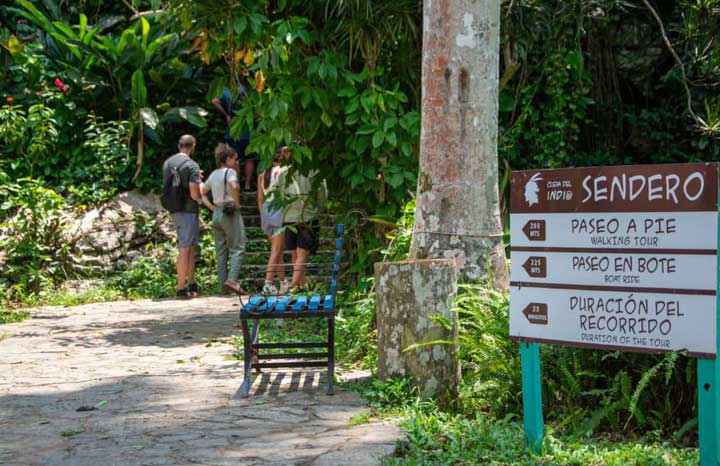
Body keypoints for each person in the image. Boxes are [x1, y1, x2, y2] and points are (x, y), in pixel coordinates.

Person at [277, 149, 327, 290]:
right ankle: (294, 286)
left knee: (295, 253)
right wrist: (318, 208)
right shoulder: (314, 170)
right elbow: (322, 194)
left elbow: (279, 196)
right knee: (303, 253)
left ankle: (301, 285)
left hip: (288, 217)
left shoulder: (282, 172)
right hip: (308, 216)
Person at [200, 143, 246, 295]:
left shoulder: (214, 174)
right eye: (235, 159)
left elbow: (202, 191)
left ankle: (223, 287)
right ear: (228, 158)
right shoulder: (230, 172)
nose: (236, 162)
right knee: (237, 247)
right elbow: (234, 186)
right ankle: (232, 281)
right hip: (230, 211)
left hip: (217, 213)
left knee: (220, 251)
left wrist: (211, 206)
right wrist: (237, 203)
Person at [162, 135, 202, 298]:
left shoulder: (168, 163)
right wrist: (201, 193)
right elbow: (194, 193)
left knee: (190, 247)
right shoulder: (192, 165)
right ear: (193, 146)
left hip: (174, 209)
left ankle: (191, 283)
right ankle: (180, 287)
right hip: (188, 210)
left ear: (179, 146)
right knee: (185, 249)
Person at [211, 82, 257, 191]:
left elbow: (214, 101)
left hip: (232, 130)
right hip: (249, 130)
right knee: (249, 159)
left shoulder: (227, 91)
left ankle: (236, 184)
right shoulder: (252, 91)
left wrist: (226, 114)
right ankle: (247, 184)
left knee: (234, 159)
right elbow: (258, 112)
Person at [257, 147, 289, 294]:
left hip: (266, 210)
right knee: (276, 250)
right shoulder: (282, 172)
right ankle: (268, 283)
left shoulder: (263, 174)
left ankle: (283, 283)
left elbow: (259, 198)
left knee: (278, 251)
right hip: (277, 209)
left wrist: (262, 217)